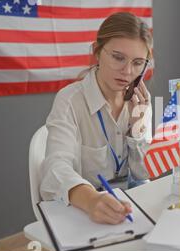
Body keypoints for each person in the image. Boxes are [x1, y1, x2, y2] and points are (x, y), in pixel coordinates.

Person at [40, 12, 153, 225]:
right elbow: (55, 168)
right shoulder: (70, 100)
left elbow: (142, 173)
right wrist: (91, 200)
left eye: (138, 62)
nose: (128, 71)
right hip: (84, 210)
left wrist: (137, 129)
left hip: (129, 209)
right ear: (97, 52)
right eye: (118, 57)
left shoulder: (140, 102)